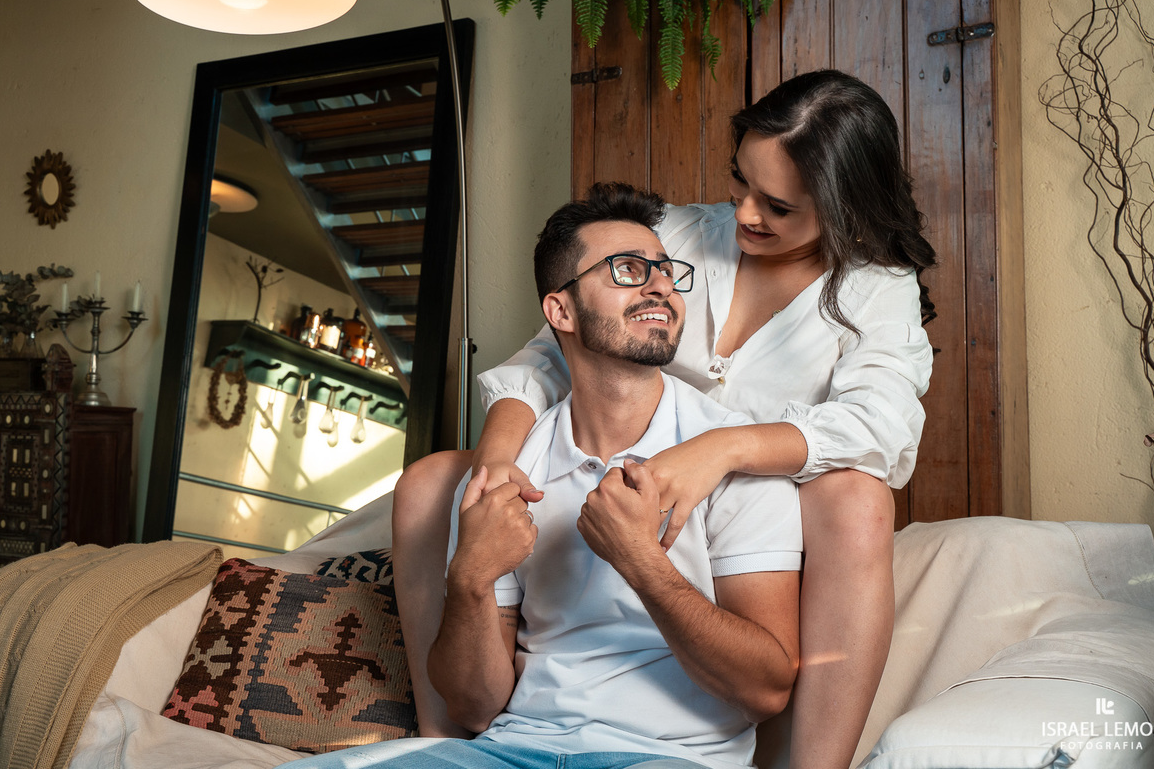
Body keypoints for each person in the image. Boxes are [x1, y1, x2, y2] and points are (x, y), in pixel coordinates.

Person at [393, 69, 935, 769]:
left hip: (752, 502)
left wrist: (724, 449)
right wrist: (497, 462)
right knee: (431, 481)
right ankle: (445, 745)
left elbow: (882, 425)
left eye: (777, 206)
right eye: (739, 181)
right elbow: (553, 347)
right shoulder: (673, 237)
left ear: (843, 206)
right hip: (621, 471)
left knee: (859, 497)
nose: (745, 214)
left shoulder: (875, 287)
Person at [288, 183, 802, 769]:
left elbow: (767, 689)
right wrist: (471, 577)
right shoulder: (510, 471)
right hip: (513, 750)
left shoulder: (729, 458)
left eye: (665, 270)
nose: (661, 285)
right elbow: (473, 708)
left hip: (666, 758)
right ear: (561, 311)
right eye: (628, 270)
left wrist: (641, 561)